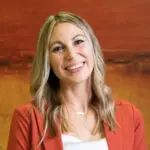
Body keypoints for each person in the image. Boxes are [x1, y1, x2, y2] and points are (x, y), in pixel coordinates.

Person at [7, 12, 147, 150]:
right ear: (47, 61)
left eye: (78, 41)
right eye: (58, 48)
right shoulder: (28, 118)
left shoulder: (130, 116)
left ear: (93, 47)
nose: (72, 55)